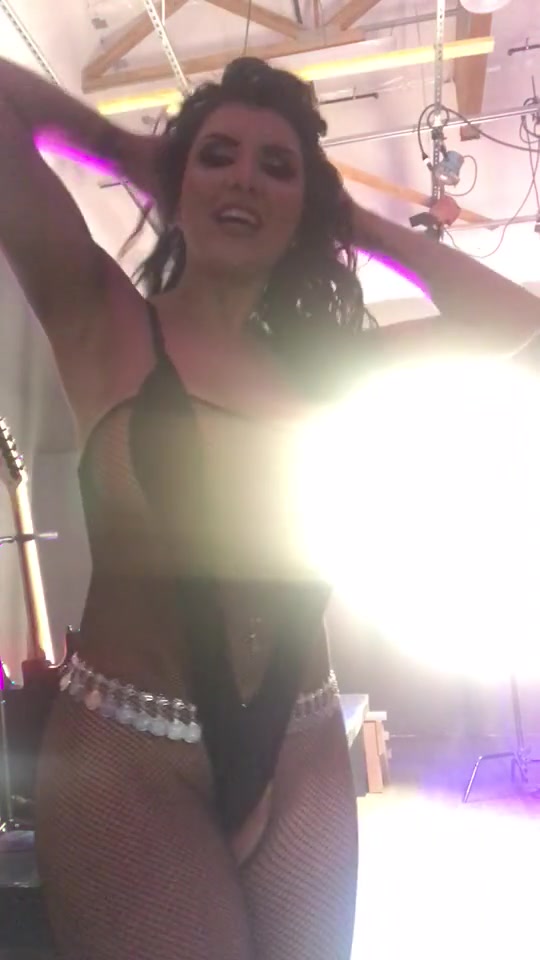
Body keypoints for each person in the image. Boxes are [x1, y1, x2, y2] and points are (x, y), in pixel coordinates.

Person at [0, 54, 539, 960]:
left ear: (302, 210)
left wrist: (351, 222)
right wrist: (126, 152)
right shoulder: (101, 317)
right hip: (128, 759)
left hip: (301, 750)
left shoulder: (332, 369)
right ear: (179, 184)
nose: (244, 177)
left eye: (277, 167)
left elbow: (517, 323)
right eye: (217, 156)